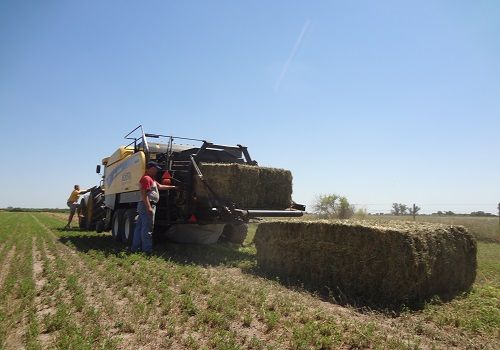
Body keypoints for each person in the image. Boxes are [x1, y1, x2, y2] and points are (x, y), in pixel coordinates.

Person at [131, 161, 177, 254]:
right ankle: (147, 250)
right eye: (155, 169)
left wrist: (174, 187)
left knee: (140, 227)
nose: (156, 171)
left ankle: (135, 248)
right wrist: (149, 207)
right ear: (150, 168)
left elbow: (160, 186)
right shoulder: (146, 178)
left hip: (145, 205)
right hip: (147, 205)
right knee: (147, 228)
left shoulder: (151, 179)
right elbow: (144, 194)